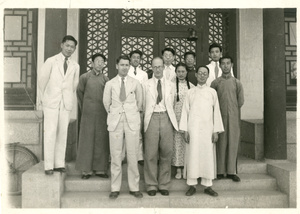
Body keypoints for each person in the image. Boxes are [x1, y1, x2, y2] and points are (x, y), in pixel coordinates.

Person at [103, 55, 143, 199]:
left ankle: (134, 187)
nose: (125, 67)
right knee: (116, 155)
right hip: (115, 122)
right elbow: (106, 103)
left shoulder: (135, 83)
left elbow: (140, 102)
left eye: (127, 65)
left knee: (132, 155)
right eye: (122, 65)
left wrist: (131, 113)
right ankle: (115, 188)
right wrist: (115, 113)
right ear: (116, 66)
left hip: (131, 121)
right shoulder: (110, 84)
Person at [180, 65, 224, 197]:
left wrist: (216, 131)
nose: (202, 75)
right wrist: (185, 130)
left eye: (205, 73)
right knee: (192, 154)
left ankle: (208, 185)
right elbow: (185, 112)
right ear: (196, 75)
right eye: (200, 73)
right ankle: (192, 185)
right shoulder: (190, 92)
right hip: (192, 129)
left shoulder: (212, 92)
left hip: (207, 129)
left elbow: (216, 112)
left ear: (208, 75)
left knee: (207, 155)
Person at [38, 35, 79, 175]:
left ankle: (59, 163)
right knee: (50, 132)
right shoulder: (51, 61)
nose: (69, 49)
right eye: (67, 45)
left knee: (63, 133)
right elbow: (42, 81)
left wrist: (66, 98)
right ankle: (49, 165)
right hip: (51, 102)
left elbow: (73, 85)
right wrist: (45, 99)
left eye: (72, 47)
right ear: (62, 45)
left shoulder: (75, 66)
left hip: (65, 103)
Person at [143, 57, 178, 196]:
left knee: (166, 152)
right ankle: (151, 185)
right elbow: (142, 104)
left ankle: (163, 184)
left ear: (164, 67)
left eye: (160, 66)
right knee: (150, 153)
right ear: (151, 68)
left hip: (166, 117)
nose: (157, 69)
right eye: (155, 67)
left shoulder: (171, 84)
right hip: (151, 117)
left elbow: (173, 103)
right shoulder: (145, 84)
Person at [75, 53, 109, 179]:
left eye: (102, 61)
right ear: (92, 63)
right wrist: (84, 109)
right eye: (97, 61)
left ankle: (100, 169)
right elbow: (80, 94)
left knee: (101, 140)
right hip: (87, 114)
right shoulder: (84, 77)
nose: (100, 63)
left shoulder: (106, 79)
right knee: (87, 141)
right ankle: (86, 170)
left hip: (102, 114)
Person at [210, 56, 244, 182]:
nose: (225, 66)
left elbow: (240, 101)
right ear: (220, 65)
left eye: (228, 63)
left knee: (232, 142)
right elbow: (211, 101)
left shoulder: (237, 83)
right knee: (220, 143)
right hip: (219, 117)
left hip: (234, 118)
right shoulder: (215, 83)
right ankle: (219, 171)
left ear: (232, 65)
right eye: (223, 63)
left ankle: (231, 171)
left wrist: (232, 110)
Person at [172, 63, 194, 179]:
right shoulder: (170, 86)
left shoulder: (192, 86)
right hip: (175, 119)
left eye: (183, 71)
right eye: (178, 71)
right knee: (177, 144)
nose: (181, 74)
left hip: (188, 119)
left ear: (187, 72)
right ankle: (178, 169)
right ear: (176, 73)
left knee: (187, 143)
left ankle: (187, 167)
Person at [127, 50, 148, 165]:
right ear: (130, 59)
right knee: (125, 131)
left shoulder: (143, 74)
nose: (136, 59)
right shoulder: (126, 70)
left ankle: (139, 156)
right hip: (127, 105)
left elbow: (144, 91)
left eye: (138, 58)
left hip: (138, 106)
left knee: (138, 132)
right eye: (134, 57)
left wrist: (142, 106)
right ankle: (124, 156)